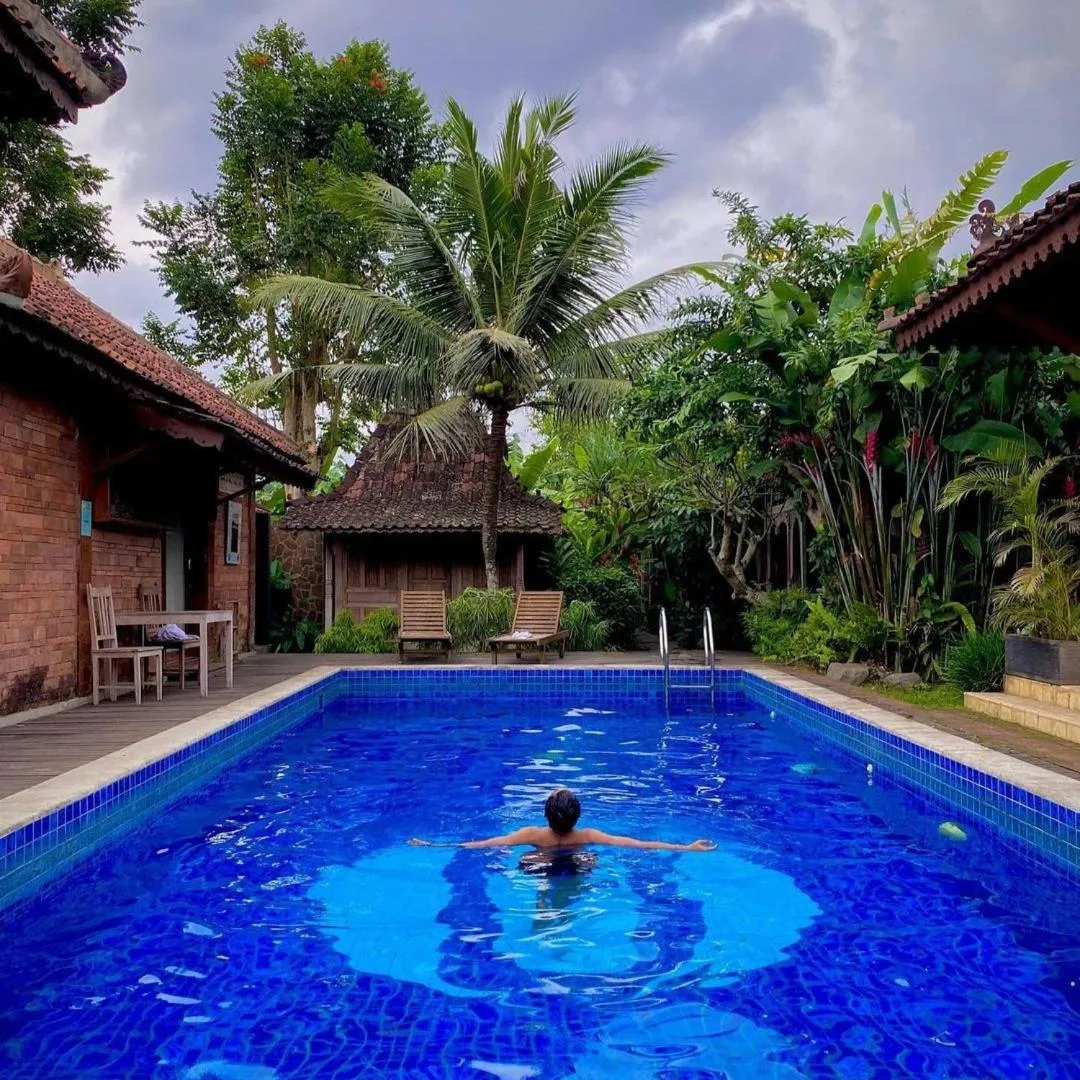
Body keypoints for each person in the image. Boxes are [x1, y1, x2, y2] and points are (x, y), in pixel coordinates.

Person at [409, 788, 716, 853]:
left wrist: (434, 844)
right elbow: (638, 844)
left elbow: (485, 844)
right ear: (577, 816)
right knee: (586, 864)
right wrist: (686, 847)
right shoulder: (586, 837)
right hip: (575, 861)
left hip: (541, 858)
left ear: (546, 814)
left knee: (536, 864)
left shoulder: (533, 834)